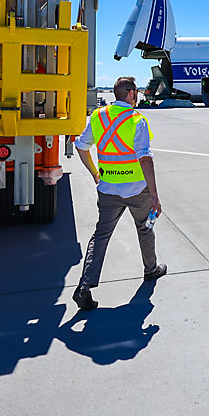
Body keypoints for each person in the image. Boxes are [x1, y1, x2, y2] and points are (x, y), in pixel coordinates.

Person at [72, 76, 166, 311]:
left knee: (101, 236)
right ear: (132, 93)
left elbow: (81, 146)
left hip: (108, 189)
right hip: (136, 189)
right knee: (145, 229)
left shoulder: (98, 116)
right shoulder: (137, 120)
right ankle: (150, 269)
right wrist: (154, 195)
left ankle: (85, 285)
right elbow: (144, 158)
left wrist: (95, 173)